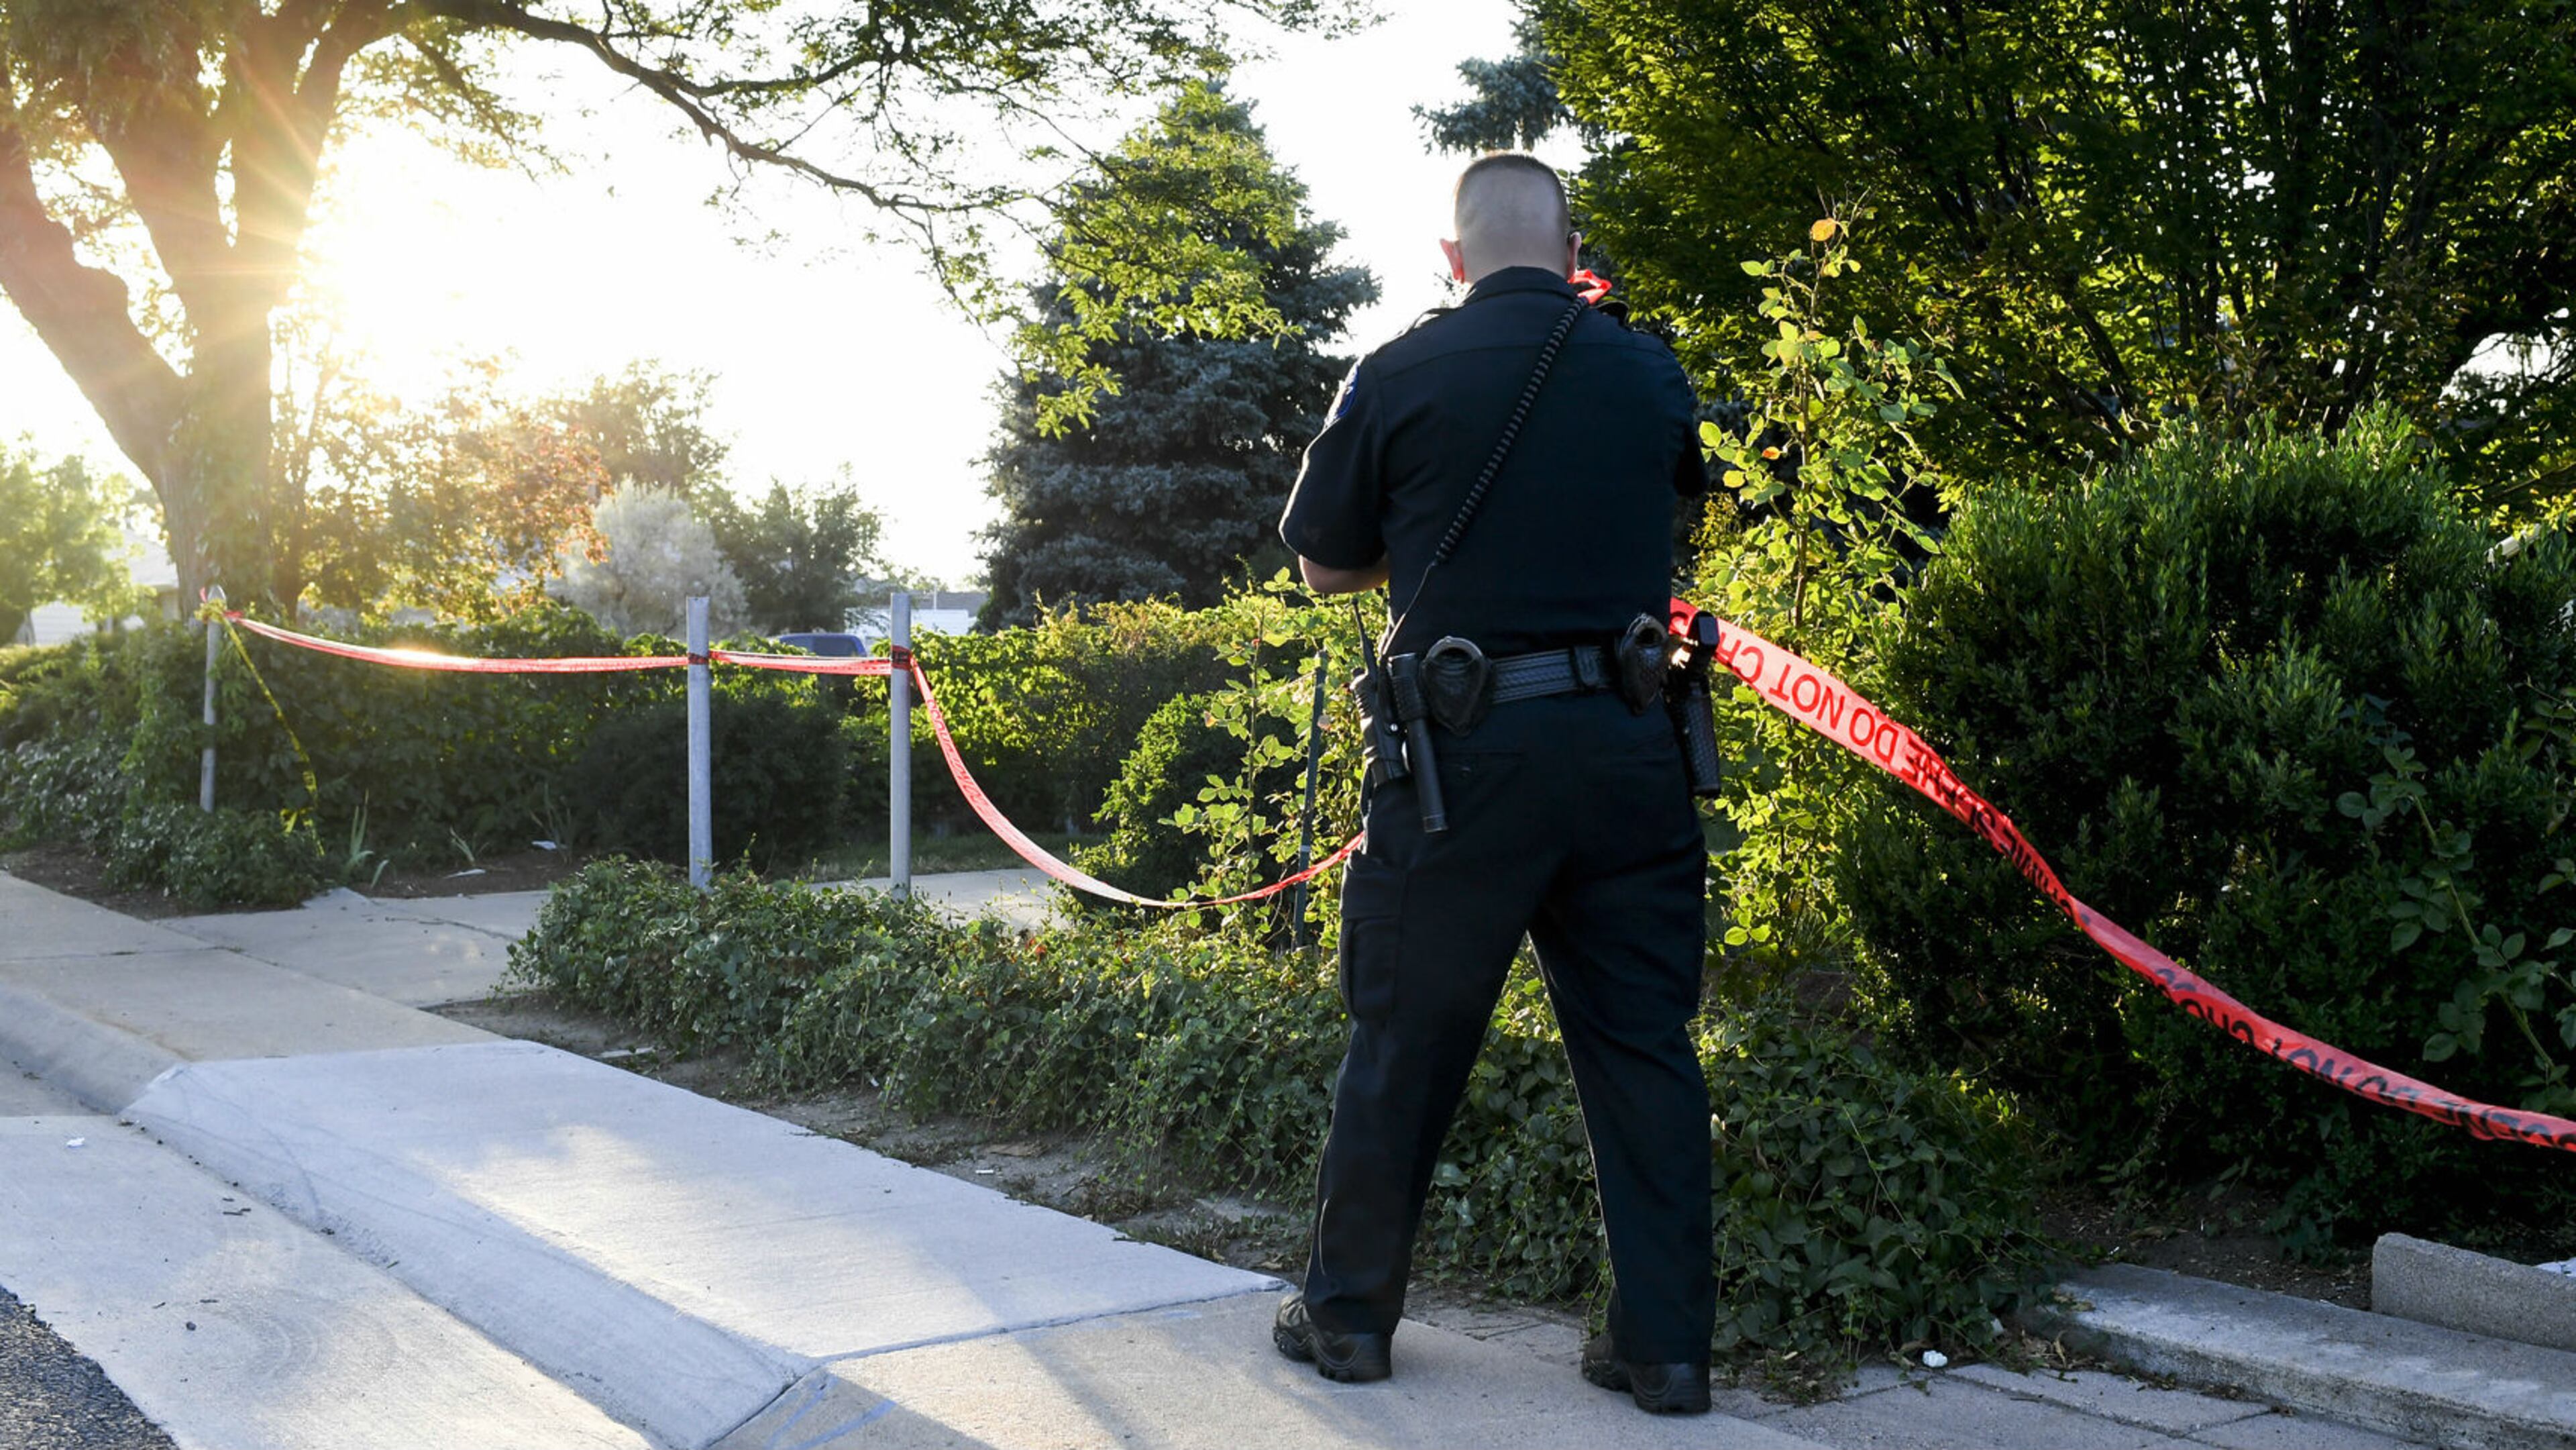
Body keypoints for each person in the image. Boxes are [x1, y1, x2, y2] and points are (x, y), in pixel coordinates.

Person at [1268, 152, 1716, 1415]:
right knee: (1643, 1045)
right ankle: (1666, 1349)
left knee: (1404, 1039)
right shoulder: (1646, 367)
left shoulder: (1400, 372)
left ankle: (1349, 1319)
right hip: (1634, 751)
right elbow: (1684, 504)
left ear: (1453, 258)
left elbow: (1322, 562)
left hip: (1461, 767)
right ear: (1574, 251)